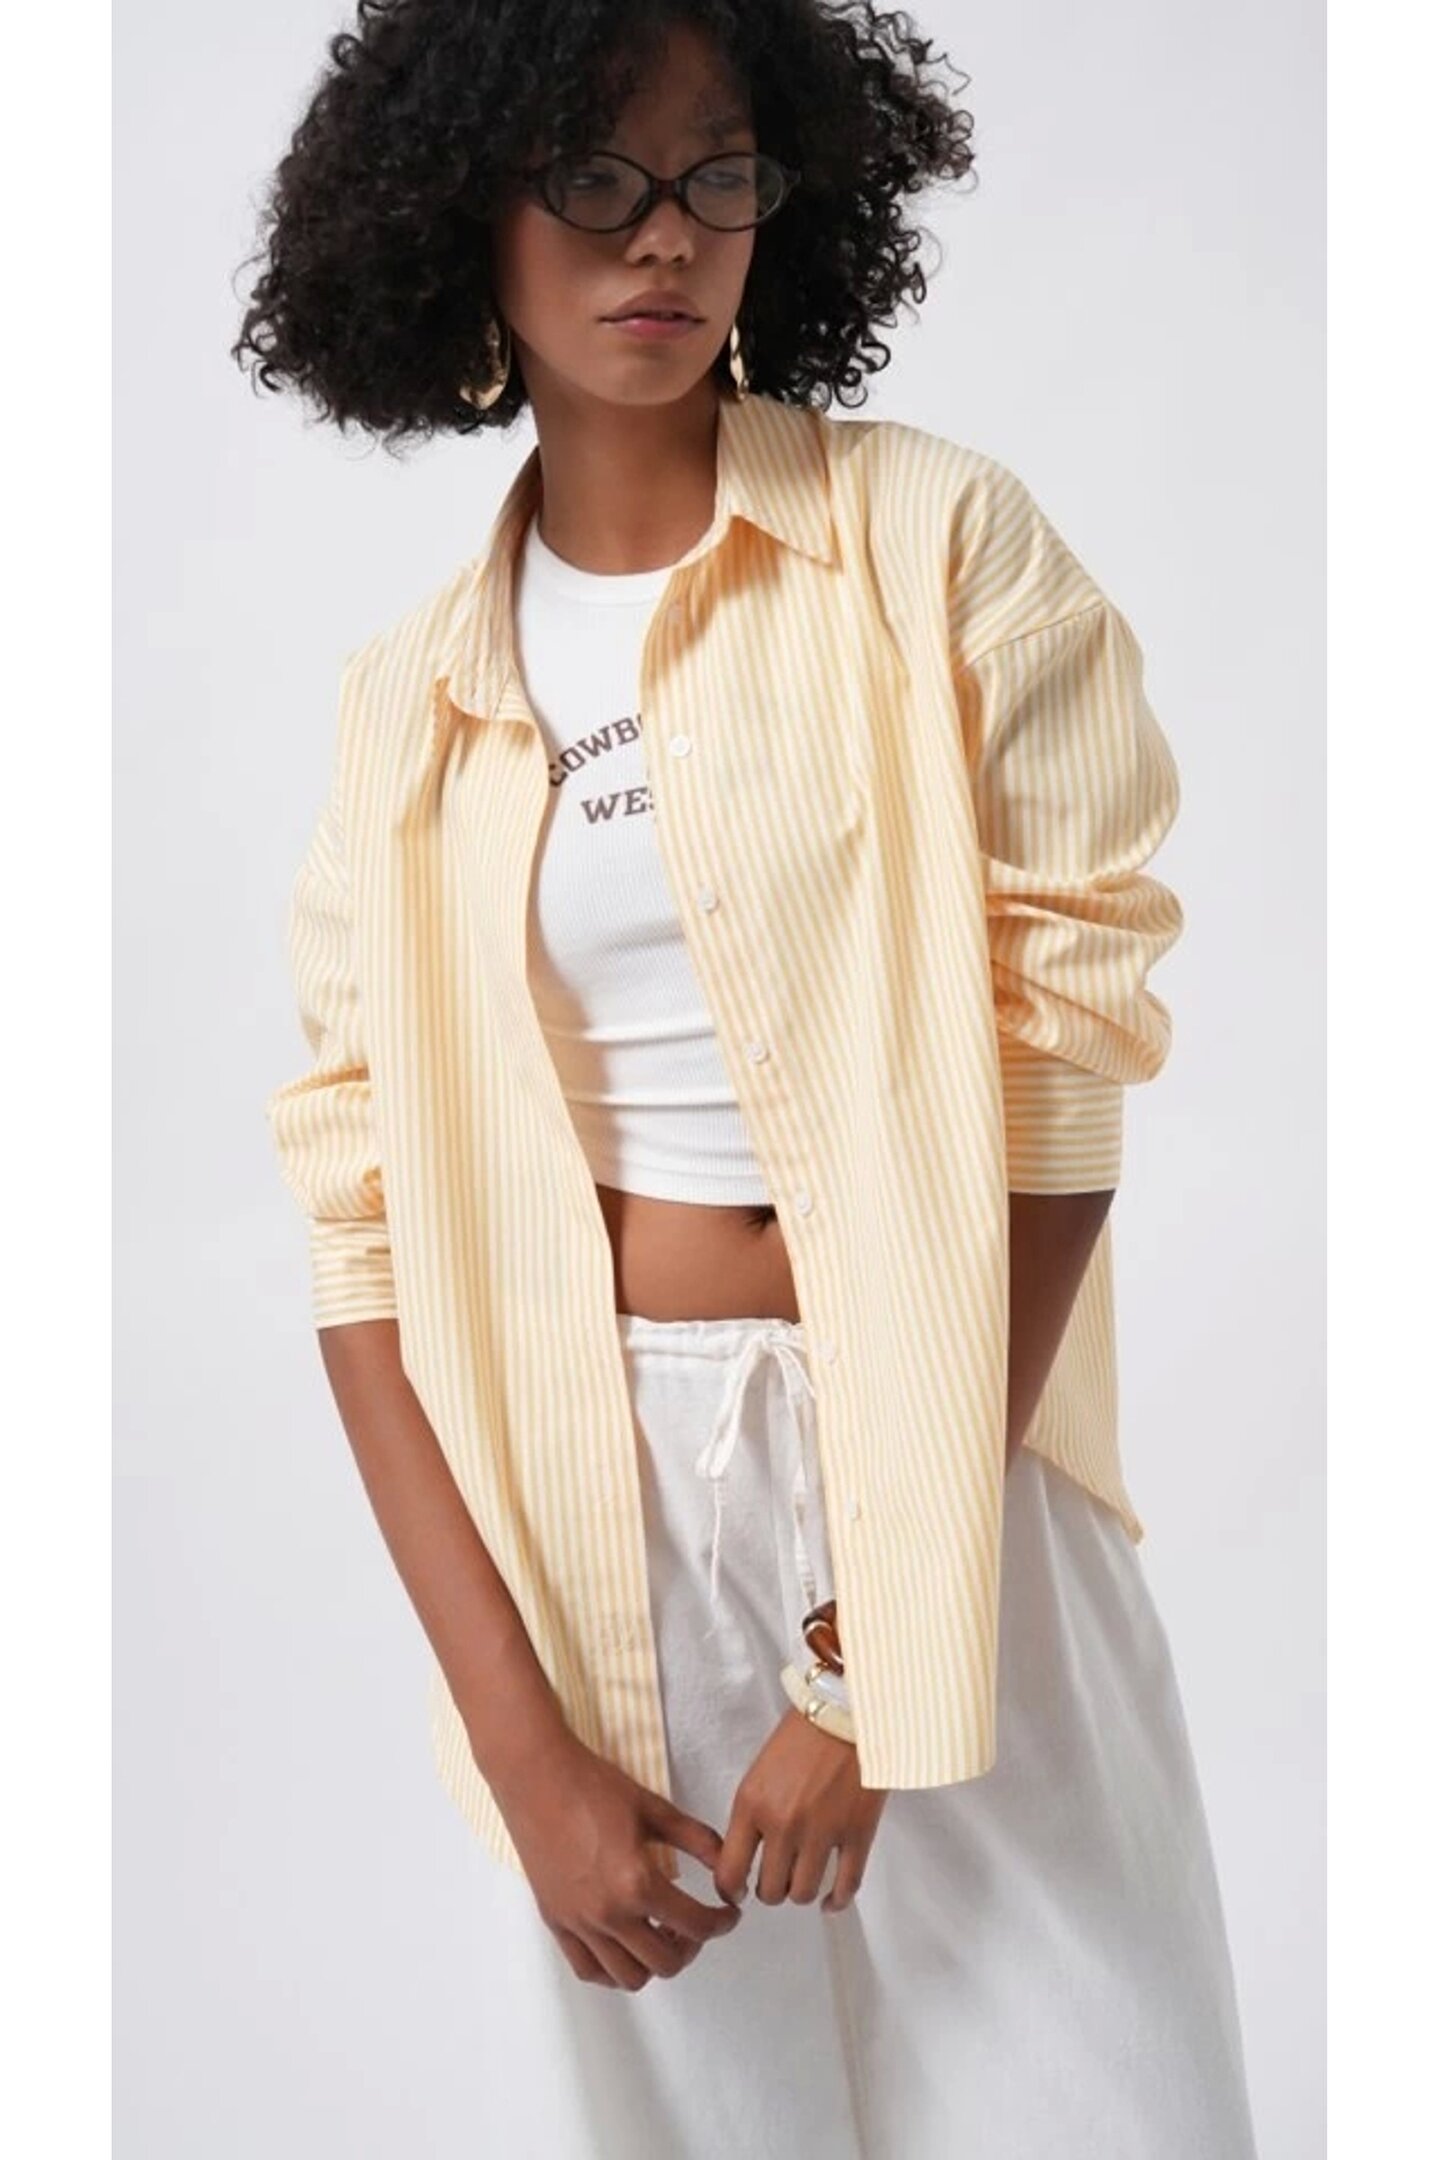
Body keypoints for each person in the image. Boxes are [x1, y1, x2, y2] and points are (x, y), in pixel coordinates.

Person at [234, 3, 1261, 2152]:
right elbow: (362, 1243)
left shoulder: (937, 547)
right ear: (460, 219)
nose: (665, 234)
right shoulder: (405, 706)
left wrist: (879, 1648)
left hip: (954, 1455)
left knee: (1105, 2099)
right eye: (594, 178)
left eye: (717, 172)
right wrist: (522, 1751)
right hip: (586, 1507)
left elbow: (1064, 1074)